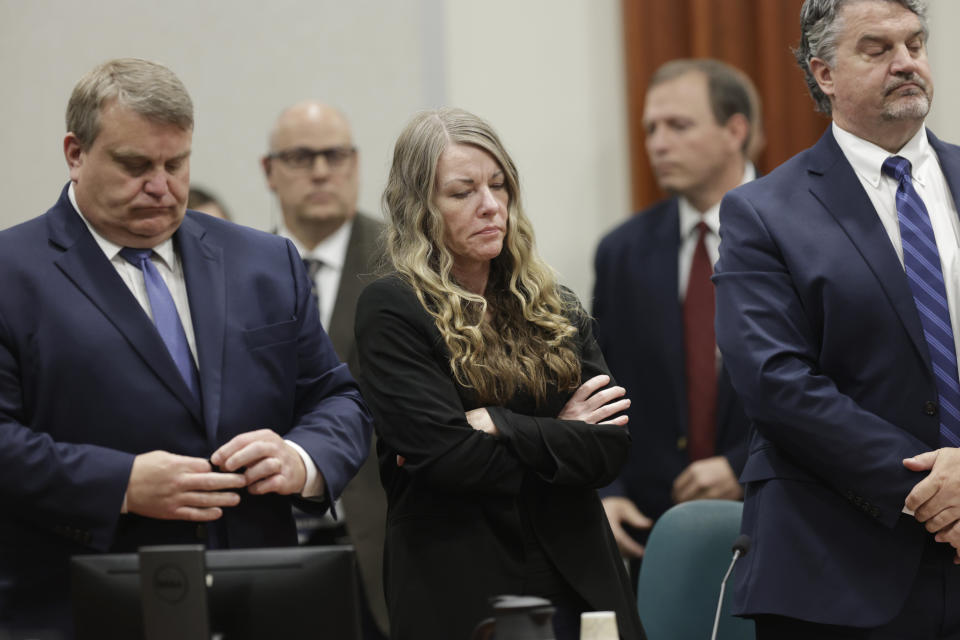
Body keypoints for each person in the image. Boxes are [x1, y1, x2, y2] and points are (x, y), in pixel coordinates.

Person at [0, 58, 372, 637]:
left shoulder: (265, 263)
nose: (161, 185)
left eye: (176, 163)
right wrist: (119, 483)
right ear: (75, 153)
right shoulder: (10, 273)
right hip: (82, 601)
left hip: (261, 595)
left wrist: (300, 459)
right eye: (135, 165)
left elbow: (337, 398)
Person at [714, 0, 960, 637]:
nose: (906, 63)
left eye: (914, 44)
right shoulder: (762, 212)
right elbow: (775, 381)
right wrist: (931, 487)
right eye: (877, 49)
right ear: (823, 73)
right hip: (838, 566)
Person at [354, 108, 645, 640]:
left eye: (498, 185)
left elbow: (608, 449)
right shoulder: (392, 309)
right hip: (461, 585)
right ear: (420, 207)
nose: (490, 206)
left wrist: (498, 424)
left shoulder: (552, 303)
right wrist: (561, 432)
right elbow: (448, 461)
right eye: (462, 192)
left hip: (579, 575)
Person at [593, 58, 758, 565]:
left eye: (678, 126)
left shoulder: (807, 230)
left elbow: (836, 378)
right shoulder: (623, 250)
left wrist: (744, 466)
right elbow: (600, 381)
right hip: (653, 531)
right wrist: (608, 488)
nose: (658, 144)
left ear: (735, 130)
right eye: (650, 129)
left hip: (778, 515)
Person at [261, 100, 388, 638]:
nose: (319, 171)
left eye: (334, 155)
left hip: (384, 540)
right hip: (270, 545)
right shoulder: (240, 269)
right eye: (300, 156)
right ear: (269, 171)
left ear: (356, 164)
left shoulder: (405, 260)